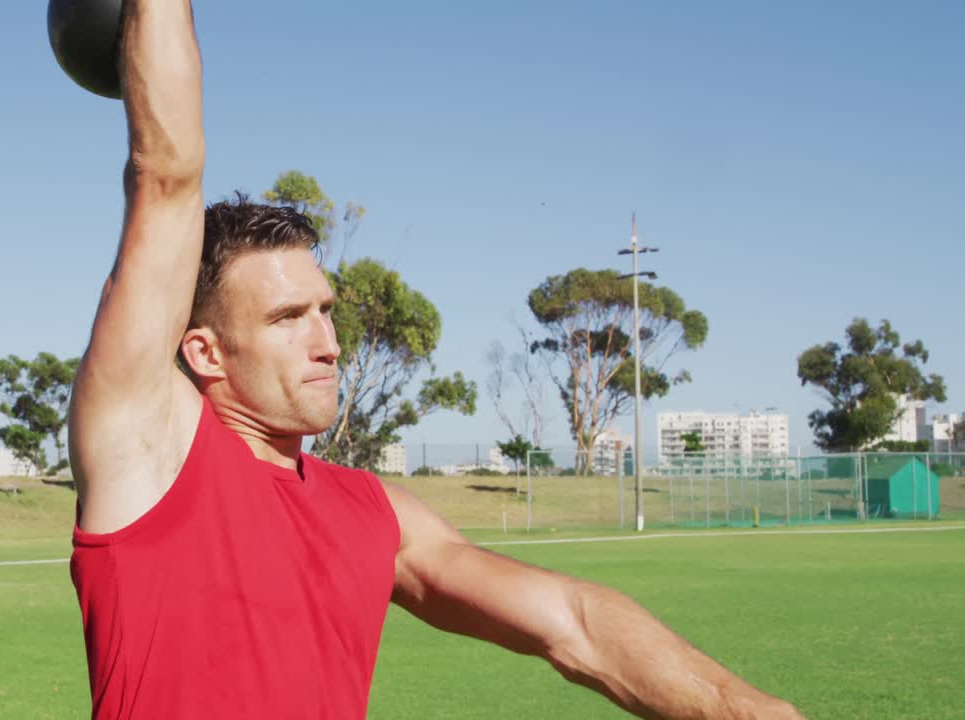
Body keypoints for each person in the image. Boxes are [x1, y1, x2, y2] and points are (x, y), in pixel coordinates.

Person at [67, 2, 805, 718]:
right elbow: (165, 175)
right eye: (288, 319)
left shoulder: (373, 514)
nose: (327, 341)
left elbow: (574, 623)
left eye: (325, 310)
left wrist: (749, 711)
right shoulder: (149, 450)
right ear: (205, 352)